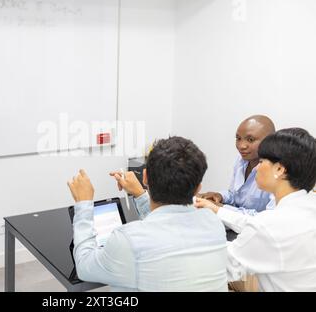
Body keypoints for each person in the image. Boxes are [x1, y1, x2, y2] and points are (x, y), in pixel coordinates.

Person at [67, 137, 228, 291]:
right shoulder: (214, 224)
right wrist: (140, 195)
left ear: (144, 177)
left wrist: (83, 204)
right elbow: (163, 229)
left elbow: (84, 266)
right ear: (199, 188)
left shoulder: (128, 241)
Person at [196, 128, 316, 291]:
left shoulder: (269, 225)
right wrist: (216, 210)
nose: (256, 168)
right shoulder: (306, 206)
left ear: (279, 169)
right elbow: (256, 226)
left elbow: (222, 267)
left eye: (261, 162)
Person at [199, 115, 276, 233]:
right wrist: (219, 196)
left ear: (270, 141)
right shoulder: (241, 161)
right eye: (238, 138)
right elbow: (236, 195)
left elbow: (265, 219)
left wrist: (219, 208)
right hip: (235, 226)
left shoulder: (277, 171)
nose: (241, 146)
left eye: (250, 140)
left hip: (256, 231)